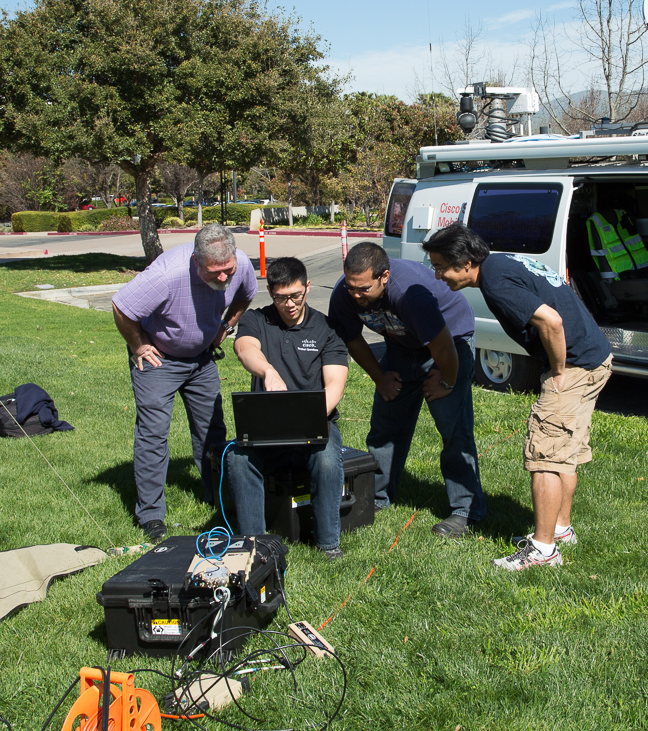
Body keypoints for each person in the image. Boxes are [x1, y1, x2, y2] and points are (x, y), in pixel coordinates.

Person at [423, 223, 613, 571]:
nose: (438, 276)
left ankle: (543, 550)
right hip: (594, 355)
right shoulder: (502, 263)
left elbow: (552, 322)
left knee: (545, 453)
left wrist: (558, 372)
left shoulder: (495, 282)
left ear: (465, 262)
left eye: (441, 267)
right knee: (564, 451)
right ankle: (560, 529)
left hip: (575, 365)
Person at [328, 243, 485, 537]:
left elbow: (443, 344)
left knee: (453, 428)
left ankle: (466, 510)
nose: (355, 295)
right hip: (402, 346)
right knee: (385, 425)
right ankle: (376, 497)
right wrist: (380, 377)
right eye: (351, 287)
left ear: (384, 276)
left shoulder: (409, 294)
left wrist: (447, 380)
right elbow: (352, 339)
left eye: (363, 289)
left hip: (451, 340)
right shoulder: (344, 294)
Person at [112, 224, 256, 542]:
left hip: (202, 358)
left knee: (212, 433)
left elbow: (246, 295)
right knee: (153, 435)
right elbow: (122, 307)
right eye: (214, 272)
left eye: (227, 270)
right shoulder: (166, 274)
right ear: (196, 262)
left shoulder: (241, 265)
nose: (223, 278)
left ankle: (217, 498)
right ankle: (151, 516)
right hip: (158, 359)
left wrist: (226, 326)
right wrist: (138, 345)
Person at [225, 257, 349, 558]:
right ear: (271, 292)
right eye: (281, 298)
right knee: (238, 459)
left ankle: (328, 544)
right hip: (266, 427)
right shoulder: (257, 319)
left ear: (307, 287)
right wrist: (268, 371)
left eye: (296, 295)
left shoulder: (325, 328)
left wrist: (308, 416)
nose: (290, 304)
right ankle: (254, 546)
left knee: (328, 459)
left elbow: (335, 383)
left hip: (314, 423)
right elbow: (244, 348)